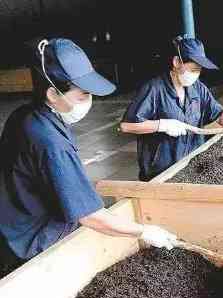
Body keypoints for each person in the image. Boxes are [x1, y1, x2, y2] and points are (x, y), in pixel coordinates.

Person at [0, 38, 177, 275]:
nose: (90, 102)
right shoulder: (50, 142)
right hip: (31, 241)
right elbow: (91, 215)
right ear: (53, 93)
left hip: (11, 225)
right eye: (83, 95)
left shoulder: (25, 116)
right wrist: (142, 231)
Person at [120, 35, 223, 181]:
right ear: (176, 62)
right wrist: (162, 125)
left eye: (198, 70)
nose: (195, 75)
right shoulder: (154, 89)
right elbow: (127, 126)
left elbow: (218, 114)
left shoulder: (197, 88)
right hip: (161, 171)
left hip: (192, 163)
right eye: (192, 69)